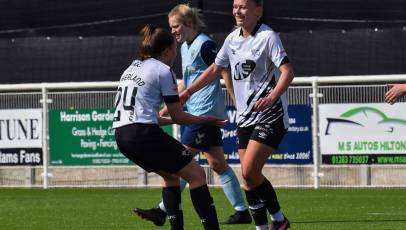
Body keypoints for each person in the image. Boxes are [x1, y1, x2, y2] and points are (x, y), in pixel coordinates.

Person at [178, 0, 294, 229]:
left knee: (250, 170)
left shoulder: (268, 37)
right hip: (245, 117)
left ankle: (279, 219)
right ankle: (265, 226)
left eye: (243, 6)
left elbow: (287, 72)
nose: (237, 11)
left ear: (258, 9)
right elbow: (214, 69)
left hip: (270, 113)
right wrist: (189, 92)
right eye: (234, 6)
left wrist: (272, 97)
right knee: (248, 179)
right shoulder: (232, 39)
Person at [134, 4, 251, 226]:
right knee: (217, 164)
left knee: (179, 162)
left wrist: (237, 101)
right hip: (197, 112)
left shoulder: (204, 44)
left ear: (188, 24)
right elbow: (188, 81)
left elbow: (222, 69)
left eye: (176, 26)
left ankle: (161, 210)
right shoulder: (186, 46)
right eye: (171, 27)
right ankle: (241, 210)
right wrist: (170, 105)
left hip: (204, 113)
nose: (173, 31)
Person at [113, 24, 224, 230]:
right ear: (166, 51)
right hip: (143, 134)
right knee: (197, 175)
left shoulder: (132, 67)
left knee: (171, 176)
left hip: (122, 136)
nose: (176, 53)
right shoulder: (163, 70)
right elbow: (179, 116)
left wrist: (178, 118)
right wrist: (205, 120)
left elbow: (153, 118)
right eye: (174, 48)